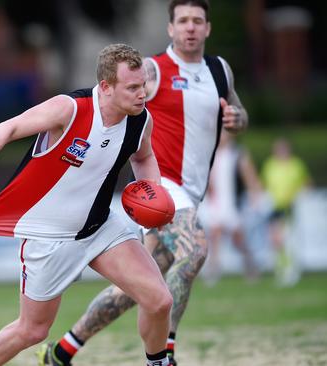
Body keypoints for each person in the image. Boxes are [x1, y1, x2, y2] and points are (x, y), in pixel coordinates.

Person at [38, 1, 249, 365]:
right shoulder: (152, 70)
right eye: (182, 21)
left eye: (198, 21)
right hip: (161, 186)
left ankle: (62, 350)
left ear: (208, 28)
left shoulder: (220, 70)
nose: (190, 27)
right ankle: (164, 353)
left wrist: (236, 117)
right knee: (195, 251)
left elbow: (239, 112)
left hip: (193, 191)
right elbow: (109, 97)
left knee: (137, 288)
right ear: (170, 28)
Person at [0, 43, 173, 366]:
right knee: (32, 330)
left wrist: (154, 191)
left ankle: (160, 363)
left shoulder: (140, 120)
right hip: (49, 236)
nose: (142, 94)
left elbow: (144, 155)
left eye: (144, 85)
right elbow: (8, 128)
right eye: (133, 87)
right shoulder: (69, 109)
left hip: (100, 228)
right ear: (106, 87)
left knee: (159, 301)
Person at [203, 130, 262, 285]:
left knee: (238, 239)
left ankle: (251, 265)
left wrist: (255, 194)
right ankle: (213, 269)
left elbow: (249, 176)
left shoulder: (237, 154)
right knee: (214, 236)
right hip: (215, 204)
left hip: (232, 204)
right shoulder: (210, 154)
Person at [261, 137, 311, 286]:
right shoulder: (270, 165)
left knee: (288, 239)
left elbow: (306, 183)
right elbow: (264, 184)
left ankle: (291, 269)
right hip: (274, 207)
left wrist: (298, 195)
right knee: (276, 240)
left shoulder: (296, 165)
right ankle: (281, 267)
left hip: (289, 207)